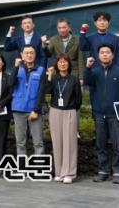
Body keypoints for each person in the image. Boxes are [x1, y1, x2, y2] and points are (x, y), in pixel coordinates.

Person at [86, 44, 119, 184]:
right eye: (102, 52)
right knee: (100, 144)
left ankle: (118, 172)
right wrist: (88, 68)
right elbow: (87, 82)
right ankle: (103, 171)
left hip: (116, 115)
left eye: (107, 52)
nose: (105, 54)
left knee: (118, 144)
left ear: (112, 55)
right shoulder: (94, 72)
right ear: (98, 55)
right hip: (99, 114)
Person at [45, 54, 82, 184]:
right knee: (57, 142)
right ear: (57, 65)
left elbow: (79, 99)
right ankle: (59, 172)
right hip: (55, 111)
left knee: (69, 142)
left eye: (65, 62)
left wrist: (71, 109)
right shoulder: (54, 78)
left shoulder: (74, 79)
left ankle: (69, 173)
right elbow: (47, 91)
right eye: (60, 62)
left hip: (70, 111)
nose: (62, 64)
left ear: (69, 64)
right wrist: (49, 75)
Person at [9, 45, 45, 156]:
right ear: (22, 55)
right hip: (19, 109)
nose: (29, 55)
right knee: (20, 142)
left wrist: (36, 110)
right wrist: (15, 67)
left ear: (35, 55)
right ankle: (22, 166)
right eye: (26, 53)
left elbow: (41, 92)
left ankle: (39, 166)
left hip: (34, 110)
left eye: (31, 53)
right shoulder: (17, 69)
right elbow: (10, 83)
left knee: (38, 142)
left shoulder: (40, 70)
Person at [41, 18, 84, 85]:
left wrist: (81, 77)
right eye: (59, 28)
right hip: (58, 73)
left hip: (74, 73)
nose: (62, 30)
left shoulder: (77, 39)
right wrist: (44, 45)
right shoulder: (53, 39)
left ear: (69, 28)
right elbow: (48, 54)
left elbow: (81, 60)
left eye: (64, 27)